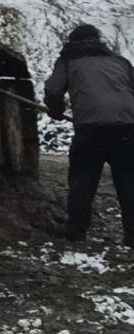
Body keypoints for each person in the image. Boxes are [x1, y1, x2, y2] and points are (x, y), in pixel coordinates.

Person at [43, 22, 134, 245]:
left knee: (83, 180)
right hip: (127, 128)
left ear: (73, 41)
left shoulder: (69, 60)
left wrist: (55, 111)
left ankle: (76, 230)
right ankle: (132, 234)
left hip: (91, 131)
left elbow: (53, 90)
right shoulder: (119, 61)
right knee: (129, 181)